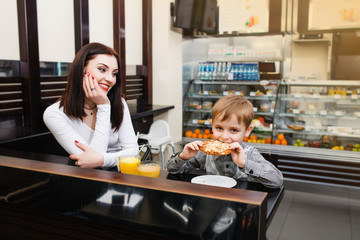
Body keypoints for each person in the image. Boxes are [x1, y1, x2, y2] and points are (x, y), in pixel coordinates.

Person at [43, 42, 138, 169]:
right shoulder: (54, 114)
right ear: (82, 70)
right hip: (84, 181)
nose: (110, 79)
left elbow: (133, 152)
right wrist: (103, 106)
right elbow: (90, 163)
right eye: (102, 69)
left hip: (119, 177)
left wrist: (103, 160)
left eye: (114, 73)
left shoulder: (119, 103)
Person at [167, 95, 283, 188]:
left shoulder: (249, 153)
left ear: (247, 131)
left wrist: (245, 164)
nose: (224, 137)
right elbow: (172, 171)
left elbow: (277, 180)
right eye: (219, 128)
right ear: (212, 126)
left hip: (240, 204)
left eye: (233, 130)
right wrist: (183, 157)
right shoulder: (203, 153)